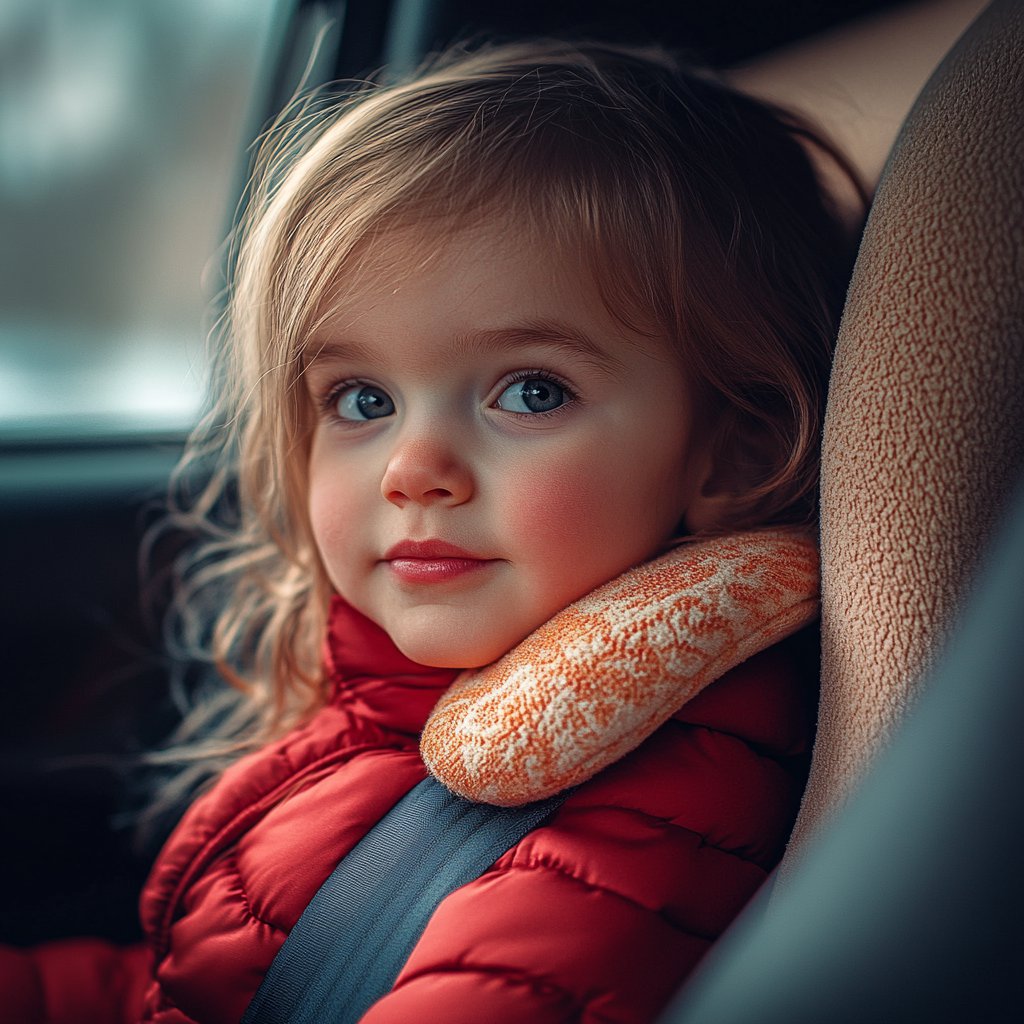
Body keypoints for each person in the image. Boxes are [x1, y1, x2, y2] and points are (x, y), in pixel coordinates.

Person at [1, 38, 856, 1024]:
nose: (412, 469)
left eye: (530, 392)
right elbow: (185, 992)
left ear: (734, 454)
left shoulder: (651, 818)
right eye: (361, 399)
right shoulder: (397, 716)